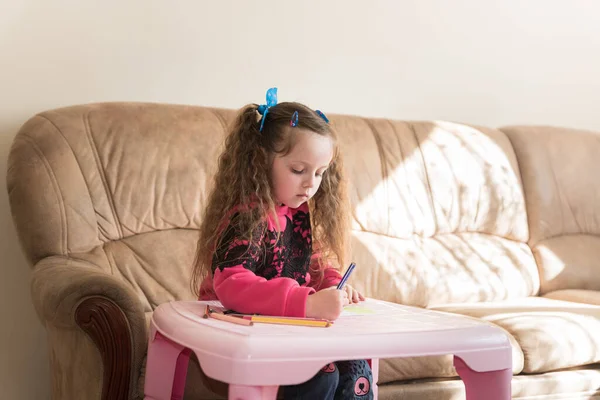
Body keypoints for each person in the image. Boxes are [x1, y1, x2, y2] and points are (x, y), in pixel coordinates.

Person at [191, 88, 373, 399]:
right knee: (320, 376)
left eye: (319, 173)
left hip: (285, 329)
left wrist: (333, 286)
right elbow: (232, 284)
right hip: (238, 332)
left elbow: (310, 262)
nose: (310, 183)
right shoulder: (245, 217)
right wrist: (307, 303)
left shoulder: (299, 213)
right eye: (298, 170)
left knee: (356, 368)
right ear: (261, 161)